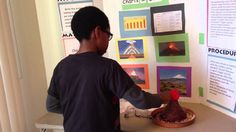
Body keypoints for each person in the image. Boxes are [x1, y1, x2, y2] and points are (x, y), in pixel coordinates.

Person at [46, 6, 171, 132]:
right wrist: (165, 97)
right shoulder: (108, 67)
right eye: (108, 35)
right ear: (97, 32)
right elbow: (142, 101)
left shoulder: (61, 67)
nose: (108, 41)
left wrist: (77, 109)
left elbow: (51, 106)